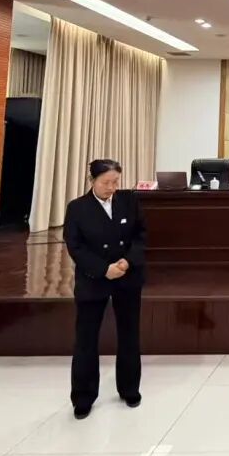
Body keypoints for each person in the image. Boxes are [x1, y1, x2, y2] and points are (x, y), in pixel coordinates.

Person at [63, 158, 147, 420]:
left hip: (127, 276)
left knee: (129, 334)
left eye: (115, 182)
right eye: (105, 182)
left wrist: (128, 261)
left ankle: (129, 388)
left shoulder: (129, 201)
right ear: (92, 181)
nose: (111, 187)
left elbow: (140, 236)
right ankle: (83, 397)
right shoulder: (78, 208)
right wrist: (103, 269)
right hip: (94, 279)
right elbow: (75, 246)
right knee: (86, 338)